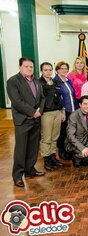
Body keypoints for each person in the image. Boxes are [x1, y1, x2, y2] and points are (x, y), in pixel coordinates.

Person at [6, 57, 45, 187]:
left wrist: (40, 111)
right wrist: (32, 112)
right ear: (20, 67)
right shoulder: (13, 81)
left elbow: (42, 98)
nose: (29, 69)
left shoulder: (37, 81)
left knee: (33, 147)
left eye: (31, 67)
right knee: (21, 149)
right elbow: (17, 101)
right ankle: (17, 176)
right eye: (26, 66)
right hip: (23, 120)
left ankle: (30, 170)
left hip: (36, 120)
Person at [39, 62, 65, 171]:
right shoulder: (38, 83)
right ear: (41, 71)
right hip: (46, 113)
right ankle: (47, 159)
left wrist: (62, 111)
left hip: (57, 112)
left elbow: (60, 98)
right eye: (46, 70)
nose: (48, 72)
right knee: (46, 137)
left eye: (50, 69)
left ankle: (53, 157)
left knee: (55, 136)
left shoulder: (55, 82)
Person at [53, 61, 78, 160]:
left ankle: (69, 149)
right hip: (63, 111)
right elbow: (57, 99)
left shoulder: (68, 80)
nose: (64, 70)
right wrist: (61, 111)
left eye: (66, 68)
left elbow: (73, 96)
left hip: (72, 110)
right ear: (57, 70)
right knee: (62, 132)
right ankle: (61, 151)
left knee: (70, 132)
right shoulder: (55, 81)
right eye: (62, 68)